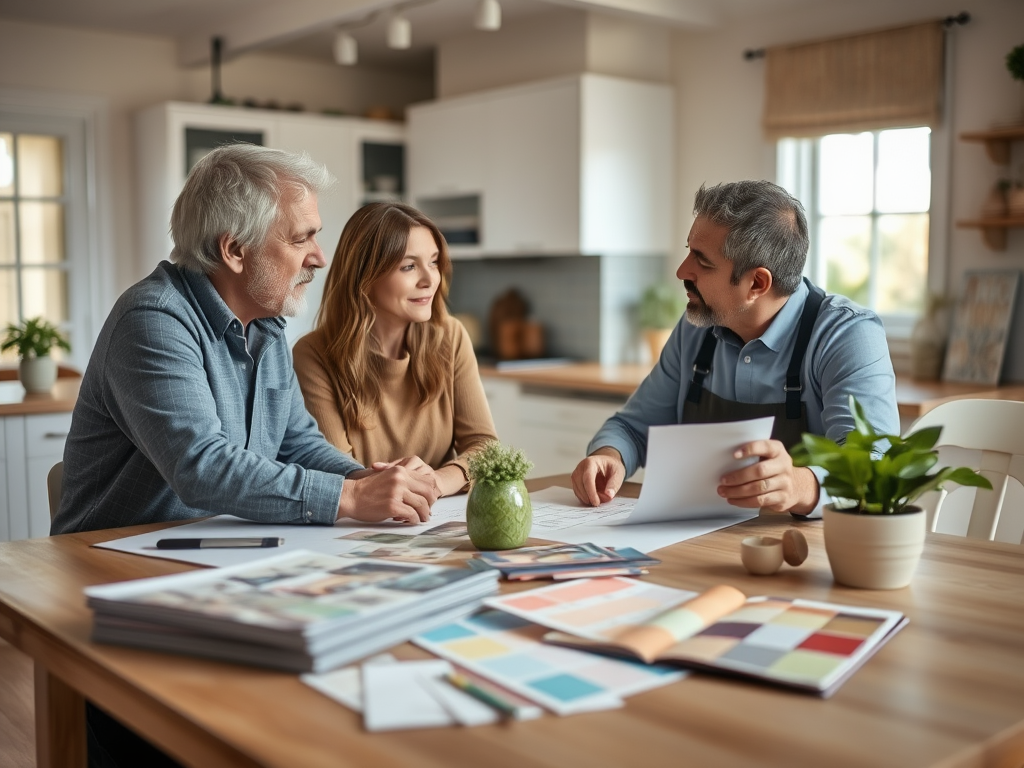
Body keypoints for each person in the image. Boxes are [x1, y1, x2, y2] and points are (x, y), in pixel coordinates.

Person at [53, 145, 440, 537]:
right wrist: (351, 498)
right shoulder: (153, 320)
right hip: (108, 562)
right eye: (301, 240)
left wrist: (367, 481)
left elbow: (297, 446)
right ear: (235, 249)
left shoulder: (265, 325)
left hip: (210, 550)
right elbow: (201, 467)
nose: (320, 258)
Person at [571, 180, 899, 516]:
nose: (682, 270)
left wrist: (801, 485)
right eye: (688, 251)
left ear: (757, 283)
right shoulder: (695, 329)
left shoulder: (847, 335)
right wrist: (609, 456)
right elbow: (632, 427)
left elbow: (872, 466)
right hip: (697, 542)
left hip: (805, 550)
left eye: (702, 261)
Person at [292, 201, 497, 497]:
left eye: (434, 262)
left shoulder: (450, 338)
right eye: (409, 266)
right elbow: (336, 470)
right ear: (365, 276)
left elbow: (485, 446)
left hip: (439, 516)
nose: (430, 280)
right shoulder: (314, 354)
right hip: (359, 523)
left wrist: (437, 482)